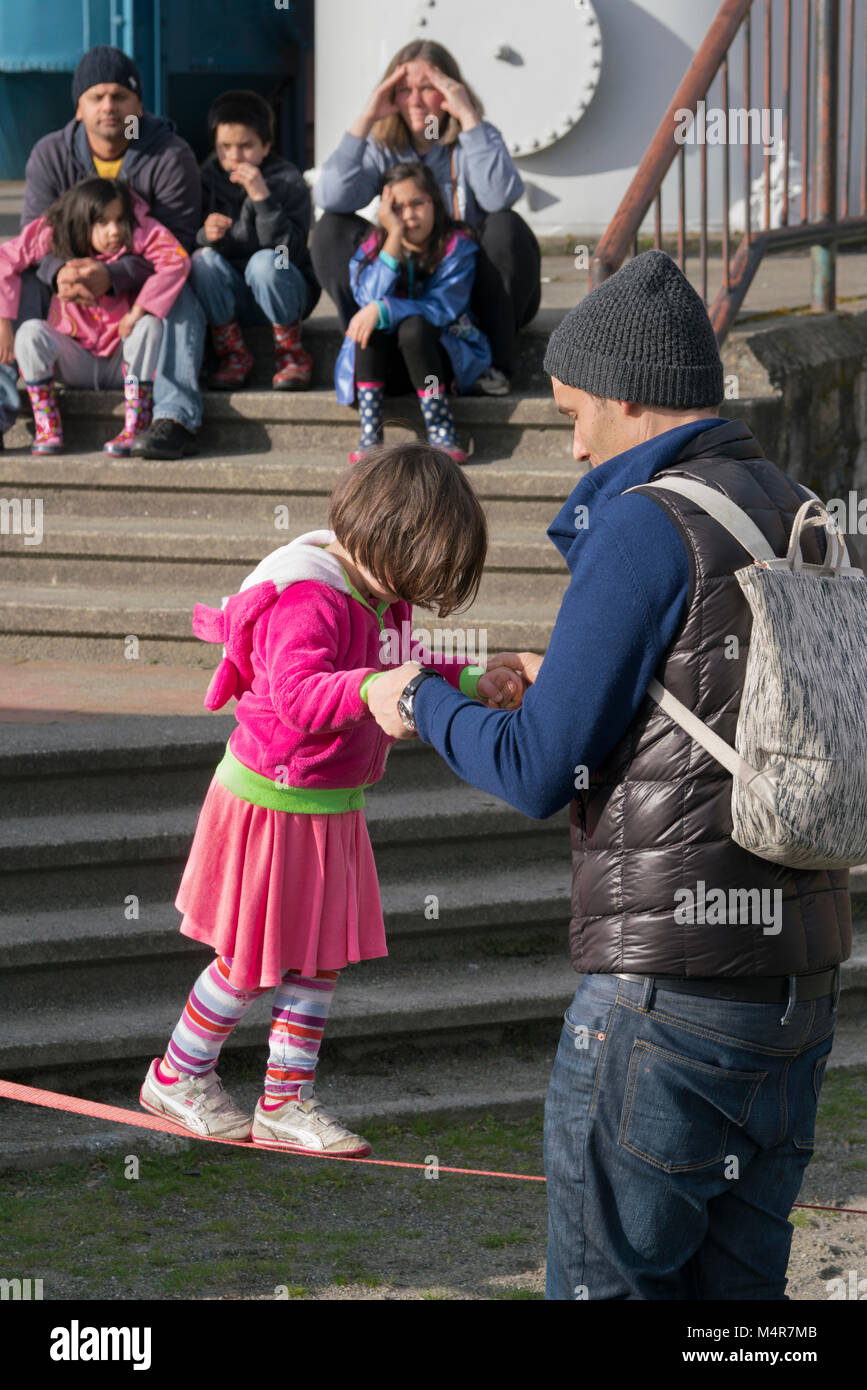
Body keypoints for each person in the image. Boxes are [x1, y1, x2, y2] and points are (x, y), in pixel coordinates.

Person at [364, 250, 854, 1300]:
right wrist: (568, 679)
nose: (575, 440)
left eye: (576, 410)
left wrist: (419, 700)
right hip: (797, 990)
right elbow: (729, 700)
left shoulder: (644, 521)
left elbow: (543, 767)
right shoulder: (794, 508)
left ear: (631, 395)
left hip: (665, 1001)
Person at [139, 442, 523, 1155]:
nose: (417, 595)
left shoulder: (376, 592)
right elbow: (296, 694)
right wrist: (372, 689)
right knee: (248, 957)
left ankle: (285, 1098)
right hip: (272, 802)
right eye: (419, 574)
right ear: (388, 540)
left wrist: (470, 679)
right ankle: (177, 1073)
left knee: (318, 958)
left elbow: (390, 664)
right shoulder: (311, 596)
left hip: (330, 802)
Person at [7, 45, 206, 460]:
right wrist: (60, 272)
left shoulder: (170, 155)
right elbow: (29, 243)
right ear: (79, 107)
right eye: (96, 96)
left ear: (139, 105)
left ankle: (173, 414)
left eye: (120, 95)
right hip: (69, 314)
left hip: (133, 318)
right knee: (19, 281)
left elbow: (176, 246)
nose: (109, 106)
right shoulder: (51, 154)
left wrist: (110, 276)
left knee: (188, 277)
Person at [313, 39, 540, 393]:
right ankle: (367, 347)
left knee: (505, 227)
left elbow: (501, 196)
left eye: (427, 89)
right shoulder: (382, 146)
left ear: (450, 91)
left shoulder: (474, 135)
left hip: (468, 287)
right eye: (404, 90)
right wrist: (367, 117)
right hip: (407, 279)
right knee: (330, 230)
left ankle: (494, 365)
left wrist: (468, 117)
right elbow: (329, 196)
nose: (415, 101)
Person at [0, 177, 190, 456]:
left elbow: (177, 260)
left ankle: (136, 423)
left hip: (122, 361)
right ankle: (47, 426)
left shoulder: (136, 230)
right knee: (30, 332)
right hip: (73, 358)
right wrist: (4, 324)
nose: (114, 231)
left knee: (149, 324)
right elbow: (6, 259)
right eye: (102, 222)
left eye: (119, 220)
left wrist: (137, 311)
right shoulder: (54, 232)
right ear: (81, 220)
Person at [335, 161, 491, 465]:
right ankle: (370, 432)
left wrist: (386, 308)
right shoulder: (374, 245)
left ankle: (440, 425)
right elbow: (367, 298)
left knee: (414, 326)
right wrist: (392, 241)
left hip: (439, 361)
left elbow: (444, 307)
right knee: (371, 325)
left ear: (434, 200)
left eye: (417, 203)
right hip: (386, 372)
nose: (408, 216)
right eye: (398, 207)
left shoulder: (456, 246)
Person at [191, 89, 320, 391]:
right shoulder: (206, 180)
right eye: (225, 147)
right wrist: (205, 235)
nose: (234, 156)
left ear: (266, 145)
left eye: (246, 146)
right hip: (235, 298)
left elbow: (290, 252)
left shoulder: (288, 180)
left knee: (266, 261)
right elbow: (190, 244)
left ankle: (291, 354)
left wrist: (263, 198)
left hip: (286, 292)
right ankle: (232, 353)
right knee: (202, 260)